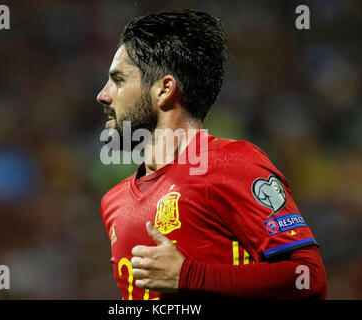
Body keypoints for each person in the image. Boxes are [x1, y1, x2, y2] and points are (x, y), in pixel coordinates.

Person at [96, 9, 327, 300]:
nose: (103, 94)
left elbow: (309, 277)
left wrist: (189, 276)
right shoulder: (113, 203)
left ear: (164, 90)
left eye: (117, 80)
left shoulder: (233, 164)